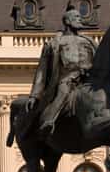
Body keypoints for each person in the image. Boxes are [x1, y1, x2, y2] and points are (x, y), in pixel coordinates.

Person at [26, 8, 97, 136]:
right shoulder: (55, 43)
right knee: (63, 91)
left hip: (88, 79)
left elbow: (99, 61)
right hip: (68, 78)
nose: (80, 19)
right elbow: (42, 70)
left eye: (79, 16)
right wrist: (35, 95)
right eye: (76, 17)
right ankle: (48, 121)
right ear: (67, 21)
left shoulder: (89, 41)